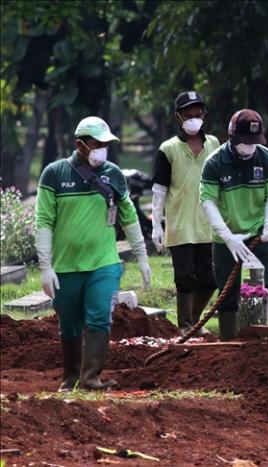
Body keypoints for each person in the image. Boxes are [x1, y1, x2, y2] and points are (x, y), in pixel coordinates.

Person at [35, 116, 152, 391]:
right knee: (70, 323)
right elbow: (43, 221)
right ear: (80, 144)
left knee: (100, 315)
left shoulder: (113, 174)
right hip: (65, 266)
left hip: (104, 263)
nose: (102, 149)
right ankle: (71, 378)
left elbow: (129, 217)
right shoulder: (54, 174)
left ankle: (91, 378)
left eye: (105, 144)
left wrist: (142, 256)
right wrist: (45, 267)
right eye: (96, 144)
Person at [199, 109, 268, 340]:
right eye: (245, 143)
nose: (250, 148)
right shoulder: (214, 163)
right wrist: (227, 237)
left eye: (254, 143)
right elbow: (208, 202)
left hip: (260, 229)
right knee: (226, 289)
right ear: (233, 138)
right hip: (226, 233)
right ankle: (229, 338)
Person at [151, 91, 221, 335]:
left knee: (210, 279)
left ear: (204, 115)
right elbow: (159, 189)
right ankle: (185, 326)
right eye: (188, 115)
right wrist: (156, 224)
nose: (194, 119)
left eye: (198, 114)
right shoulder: (168, 149)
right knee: (185, 279)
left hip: (207, 223)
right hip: (180, 224)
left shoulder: (213, 144)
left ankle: (193, 320)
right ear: (178, 118)